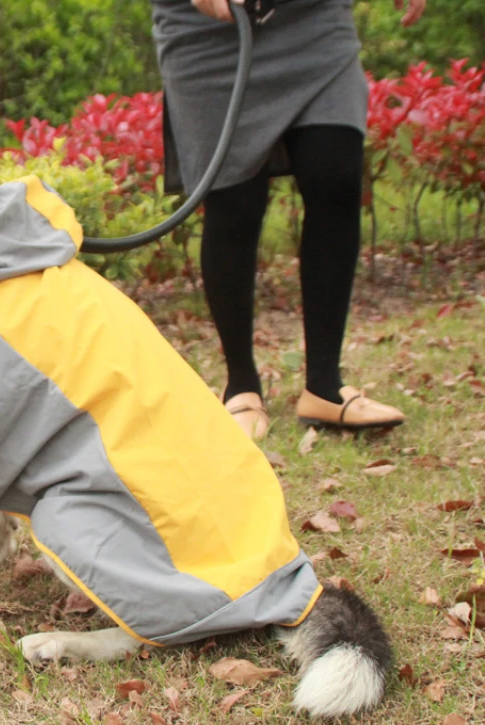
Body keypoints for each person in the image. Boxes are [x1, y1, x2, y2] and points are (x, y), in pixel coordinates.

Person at [151, 0, 426, 439]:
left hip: (313, 19)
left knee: (336, 175)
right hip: (208, 29)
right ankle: (241, 385)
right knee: (235, 207)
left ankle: (324, 385)